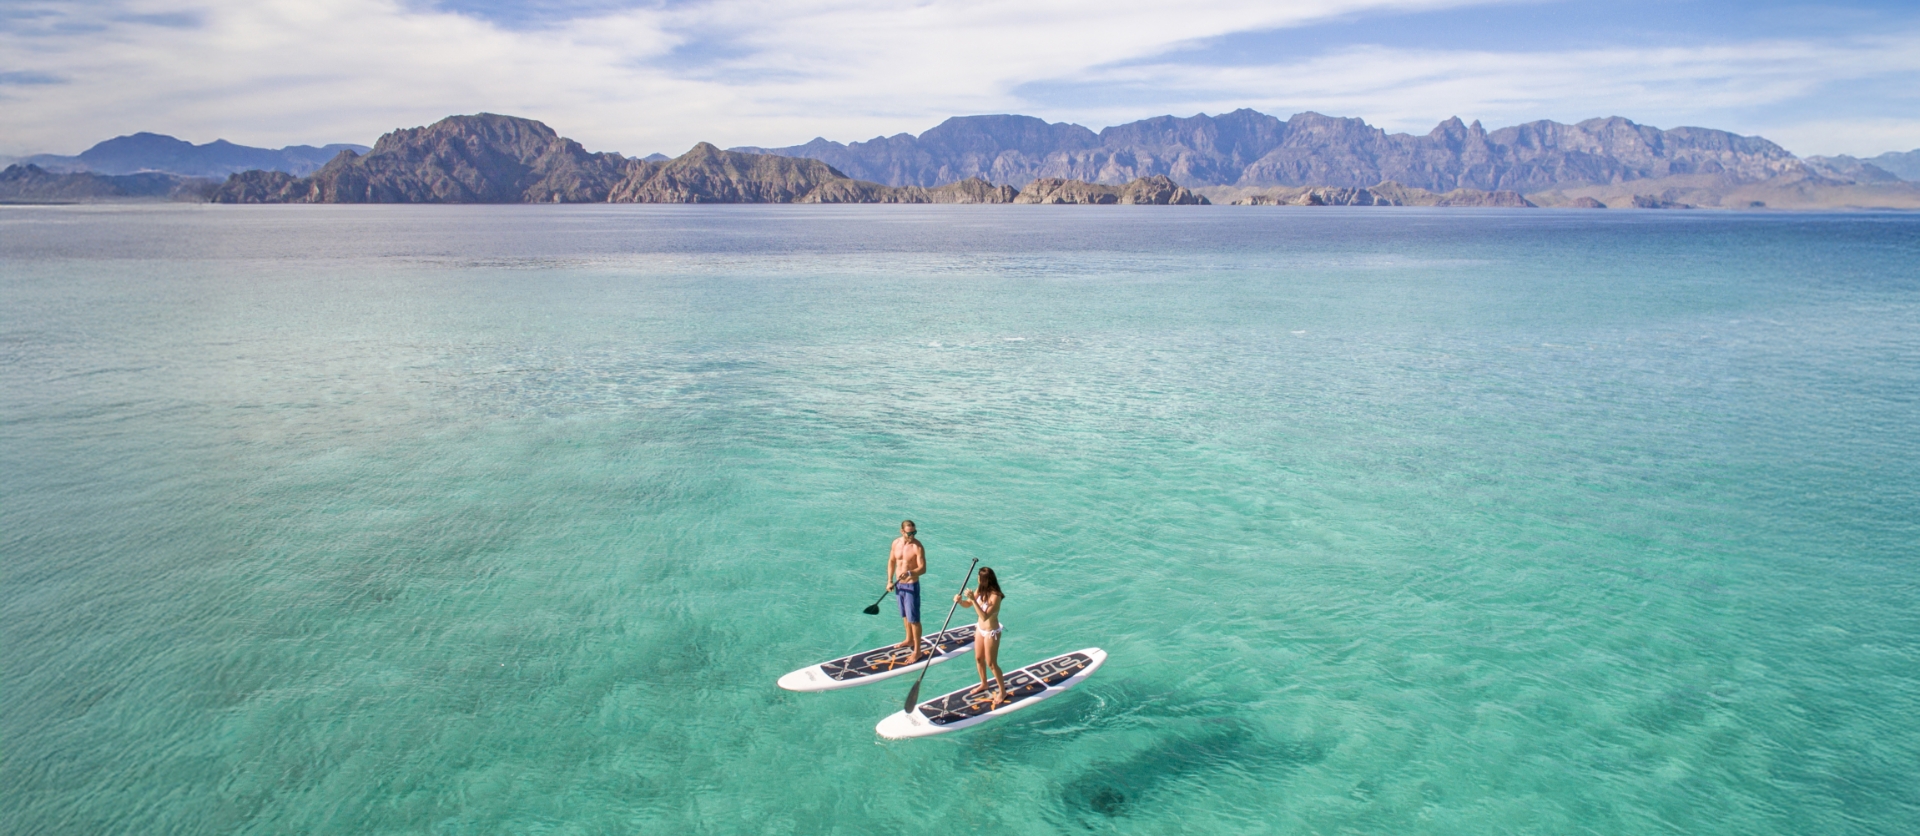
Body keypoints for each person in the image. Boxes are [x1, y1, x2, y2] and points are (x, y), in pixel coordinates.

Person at [956, 566, 1007, 708]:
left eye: (979, 577)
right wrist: (960, 601)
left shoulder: (995, 596)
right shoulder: (980, 589)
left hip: (992, 632)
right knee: (979, 658)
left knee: (991, 663)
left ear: (985, 579)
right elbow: (967, 604)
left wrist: (973, 600)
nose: (977, 579)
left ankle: (1002, 691)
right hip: (980, 629)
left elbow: (984, 616)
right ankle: (984, 683)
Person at [887, 520, 927, 663]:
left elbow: (923, 569)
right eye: (909, 533)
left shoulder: (917, 547)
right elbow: (891, 561)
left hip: (911, 585)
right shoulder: (895, 543)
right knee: (904, 615)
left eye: (914, 532)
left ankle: (917, 651)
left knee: (914, 619)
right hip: (899, 586)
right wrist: (889, 581)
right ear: (902, 531)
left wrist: (910, 573)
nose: (912, 536)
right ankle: (909, 639)